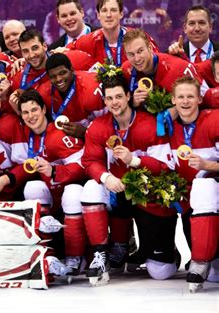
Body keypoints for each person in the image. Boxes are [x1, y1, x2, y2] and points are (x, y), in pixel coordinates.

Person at [81, 74, 176, 286]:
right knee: (90, 188)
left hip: (148, 194)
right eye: (109, 98)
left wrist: (134, 160)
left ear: (128, 96)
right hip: (118, 189)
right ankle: (102, 255)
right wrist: (106, 177)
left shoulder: (149, 124)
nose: (114, 102)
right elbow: (89, 161)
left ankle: (167, 250)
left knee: (160, 272)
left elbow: (166, 167)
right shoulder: (98, 127)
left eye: (118, 97)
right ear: (104, 101)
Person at [17, 89, 87, 274]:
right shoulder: (25, 134)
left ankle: (75, 256)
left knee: (73, 193)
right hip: (51, 201)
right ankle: (45, 253)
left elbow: (83, 166)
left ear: (43, 109)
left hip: (71, 202)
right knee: (33, 187)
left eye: (34, 110)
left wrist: (55, 170)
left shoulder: (58, 134)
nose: (30, 116)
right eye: (25, 112)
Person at [168, 76, 218, 293]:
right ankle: (202, 259)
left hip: (212, 192)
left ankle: (200, 261)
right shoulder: (166, 127)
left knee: (203, 185)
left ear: (199, 99)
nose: (185, 101)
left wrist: (209, 165)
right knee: (216, 275)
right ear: (173, 100)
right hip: (190, 203)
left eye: (190, 96)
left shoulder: (214, 120)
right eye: (181, 96)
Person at [121, 28, 209, 108]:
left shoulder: (178, 68)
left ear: (150, 48)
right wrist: (133, 103)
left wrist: (176, 109)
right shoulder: (126, 71)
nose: (137, 58)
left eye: (140, 51)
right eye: (131, 54)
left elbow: (204, 99)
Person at [67, 0, 158, 66]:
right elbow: (67, 51)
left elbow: (158, 61)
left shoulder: (138, 38)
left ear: (121, 14)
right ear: (98, 15)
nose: (108, 15)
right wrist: (60, 51)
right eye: (104, 10)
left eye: (113, 10)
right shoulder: (89, 40)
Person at [38, 53, 105, 139]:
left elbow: (110, 126)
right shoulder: (44, 92)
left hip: (98, 138)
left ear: (72, 69)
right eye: (53, 76)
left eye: (62, 73)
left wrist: (86, 132)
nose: (58, 79)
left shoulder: (91, 88)